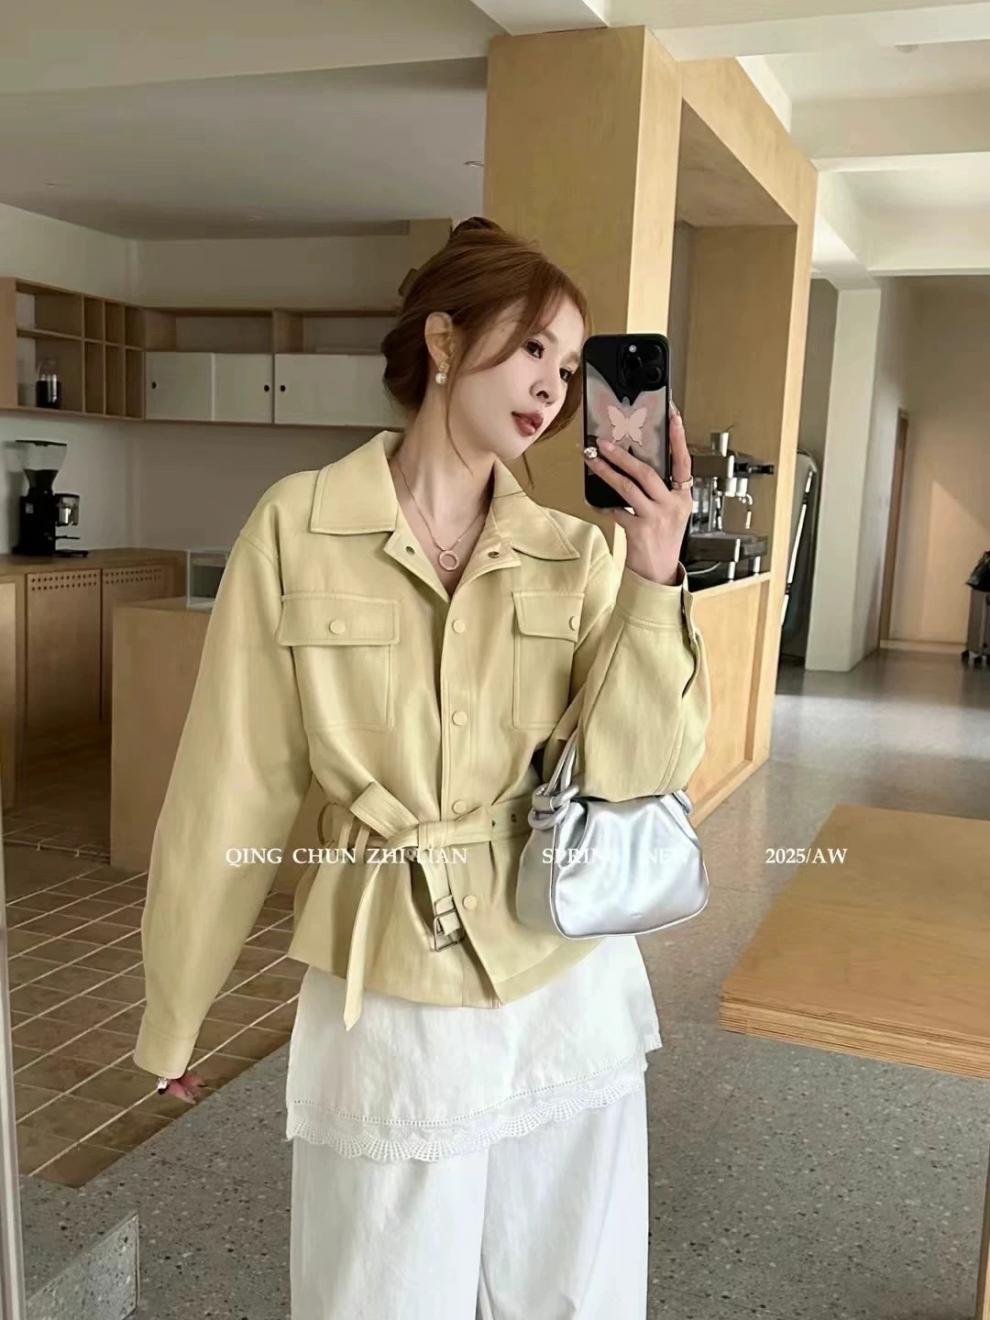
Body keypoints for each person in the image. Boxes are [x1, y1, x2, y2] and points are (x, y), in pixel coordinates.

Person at [133, 216, 710, 1317]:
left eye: (568, 364)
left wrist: (652, 577)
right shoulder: (298, 527)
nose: (551, 386)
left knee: (573, 1296)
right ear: (444, 342)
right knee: (379, 1293)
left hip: (563, 981)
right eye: (531, 346)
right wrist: (178, 1007)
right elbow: (231, 785)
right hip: (390, 989)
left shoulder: (574, 553)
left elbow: (642, 766)